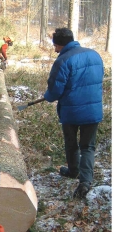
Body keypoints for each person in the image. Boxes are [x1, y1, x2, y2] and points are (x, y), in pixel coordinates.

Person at [44, 28, 104, 199]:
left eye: (55, 45)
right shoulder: (95, 55)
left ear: (59, 44)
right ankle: (85, 181)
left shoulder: (63, 60)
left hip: (71, 112)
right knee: (88, 147)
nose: (55, 49)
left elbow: (55, 90)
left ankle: (73, 171)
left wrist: (47, 96)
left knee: (71, 144)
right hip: (93, 111)